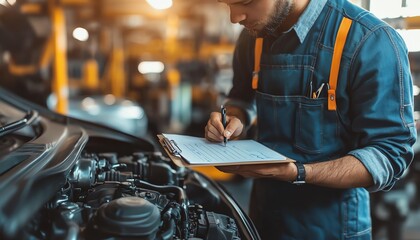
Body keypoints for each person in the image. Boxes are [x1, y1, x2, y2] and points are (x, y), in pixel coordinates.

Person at [204, 0, 417, 239]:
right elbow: (242, 99)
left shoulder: (369, 41)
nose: (235, 17)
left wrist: (298, 172)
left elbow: (390, 153)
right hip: (260, 222)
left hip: (333, 230)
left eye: (246, 2)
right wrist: (234, 118)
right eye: (227, 4)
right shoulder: (254, 36)